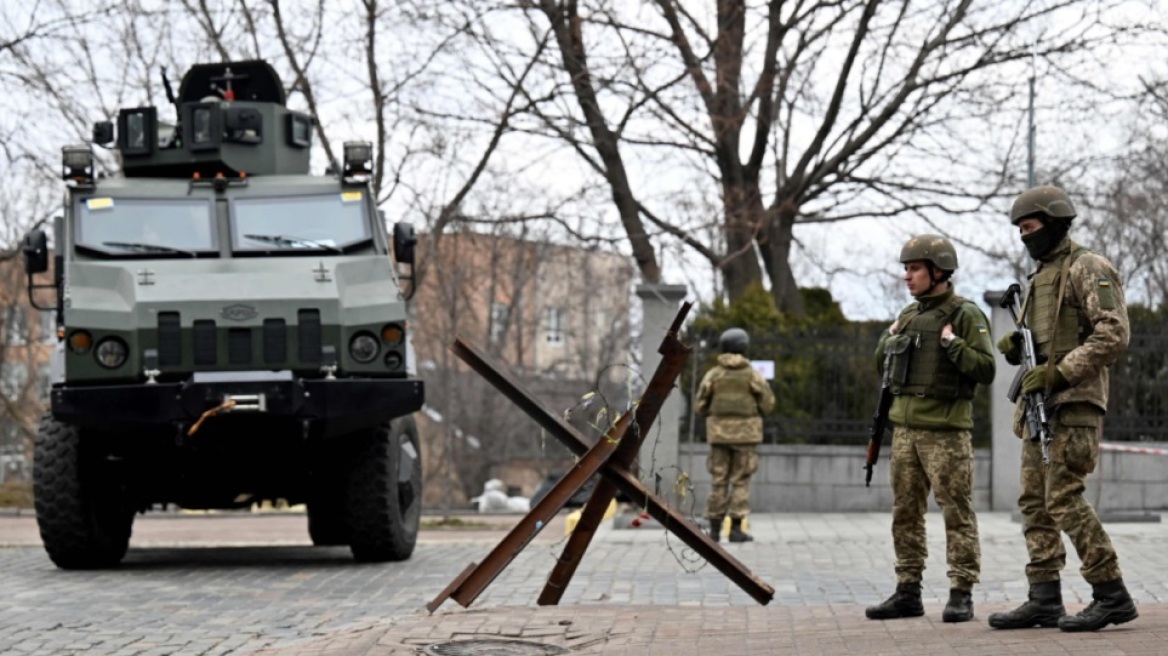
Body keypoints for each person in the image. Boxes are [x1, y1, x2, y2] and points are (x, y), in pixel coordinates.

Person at [988, 185, 1137, 632]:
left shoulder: (1087, 266)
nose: (1023, 237)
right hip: (1040, 407)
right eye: (1019, 230)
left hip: (1072, 405)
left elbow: (1113, 333)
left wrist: (1060, 373)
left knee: (1063, 499)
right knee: (1034, 504)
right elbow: (1042, 343)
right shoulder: (1039, 277)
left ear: (1053, 224)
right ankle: (1044, 598)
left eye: (1029, 228)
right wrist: (1018, 347)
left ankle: (1111, 593)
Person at [866, 235, 995, 624]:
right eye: (906, 269)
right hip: (904, 430)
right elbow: (881, 369)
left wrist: (953, 345)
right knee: (905, 512)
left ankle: (962, 592)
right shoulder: (907, 315)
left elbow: (986, 369)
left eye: (915, 269)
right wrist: (888, 337)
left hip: (946, 432)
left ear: (938, 271)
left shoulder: (966, 314)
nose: (908, 276)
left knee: (957, 511)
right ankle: (908, 590)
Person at [697, 327, 775, 543]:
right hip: (746, 437)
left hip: (719, 436)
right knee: (740, 481)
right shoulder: (752, 375)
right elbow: (768, 404)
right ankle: (736, 530)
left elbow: (700, 406)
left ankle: (714, 530)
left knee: (719, 481)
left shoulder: (713, 374)